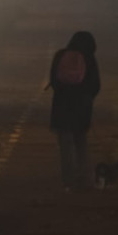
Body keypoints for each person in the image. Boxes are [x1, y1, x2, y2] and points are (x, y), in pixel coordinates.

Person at [45, 31, 101, 190]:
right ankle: (85, 179)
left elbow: (54, 81)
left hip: (61, 107)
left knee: (65, 145)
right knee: (81, 143)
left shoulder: (60, 55)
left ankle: (67, 180)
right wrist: (87, 97)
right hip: (82, 108)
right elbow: (95, 85)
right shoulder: (89, 59)